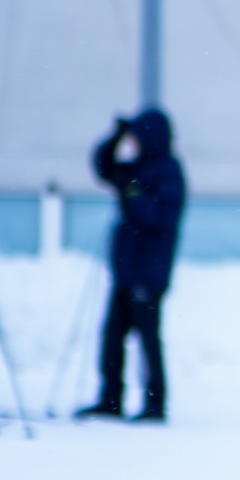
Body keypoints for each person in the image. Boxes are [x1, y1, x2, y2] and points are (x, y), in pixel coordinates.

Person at [79, 109, 186, 424]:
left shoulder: (169, 172)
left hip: (149, 271)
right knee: (113, 336)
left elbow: (159, 217)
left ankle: (156, 403)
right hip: (126, 269)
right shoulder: (137, 168)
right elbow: (104, 168)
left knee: (148, 339)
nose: (135, 143)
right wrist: (115, 138)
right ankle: (110, 398)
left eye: (139, 137)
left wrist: (135, 193)